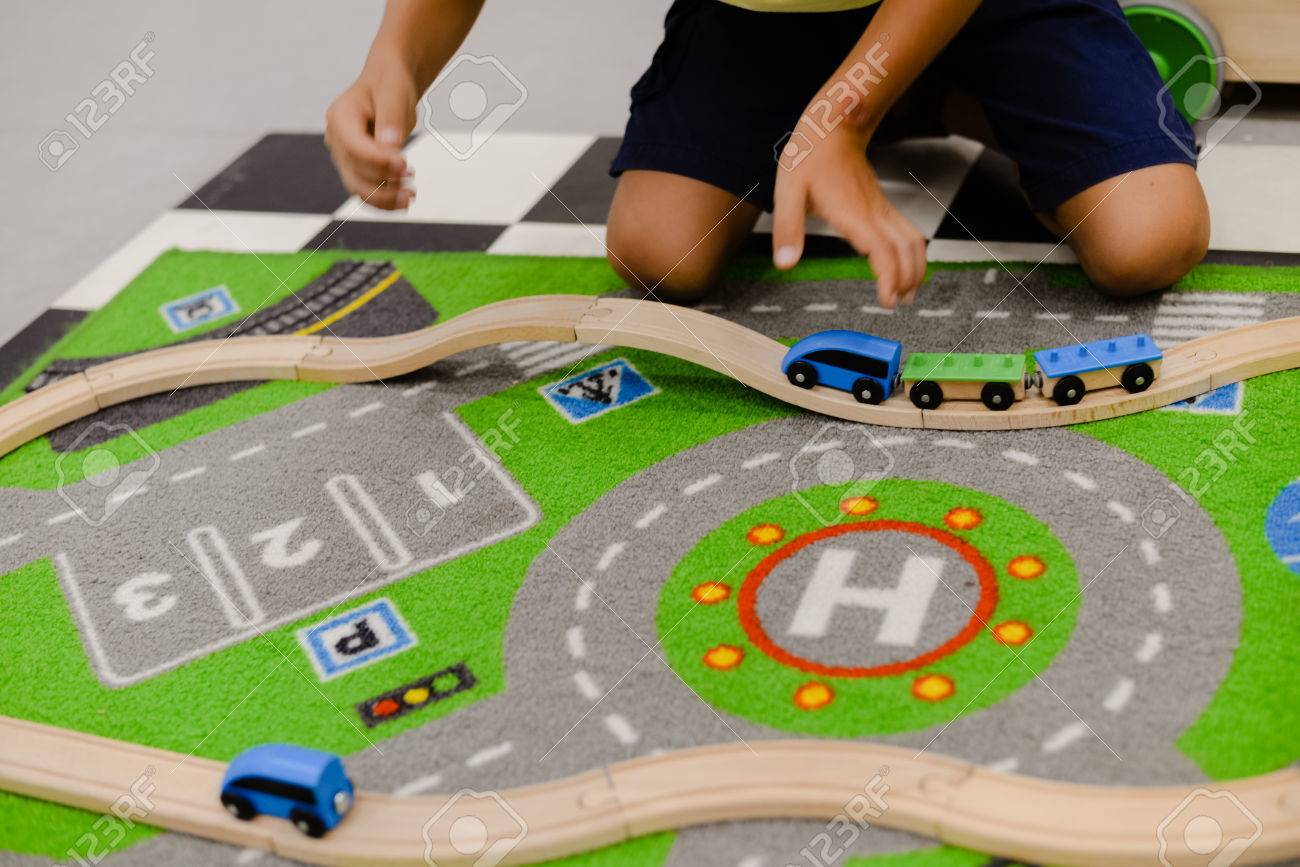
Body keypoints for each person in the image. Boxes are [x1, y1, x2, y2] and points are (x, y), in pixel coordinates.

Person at [325, 0, 1211, 311]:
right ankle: (896, 100)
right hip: (764, 16)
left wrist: (847, 114)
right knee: (658, 252)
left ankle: (939, 92)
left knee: (1148, 239)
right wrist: (392, 62)